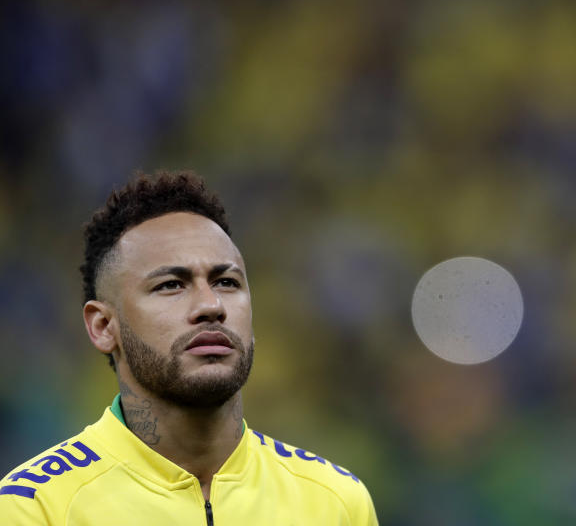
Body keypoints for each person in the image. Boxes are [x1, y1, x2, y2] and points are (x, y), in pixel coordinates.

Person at [0, 171, 378, 525]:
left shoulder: (336, 502)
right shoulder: (37, 508)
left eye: (227, 282)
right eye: (170, 285)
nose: (210, 305)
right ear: (103, 326)